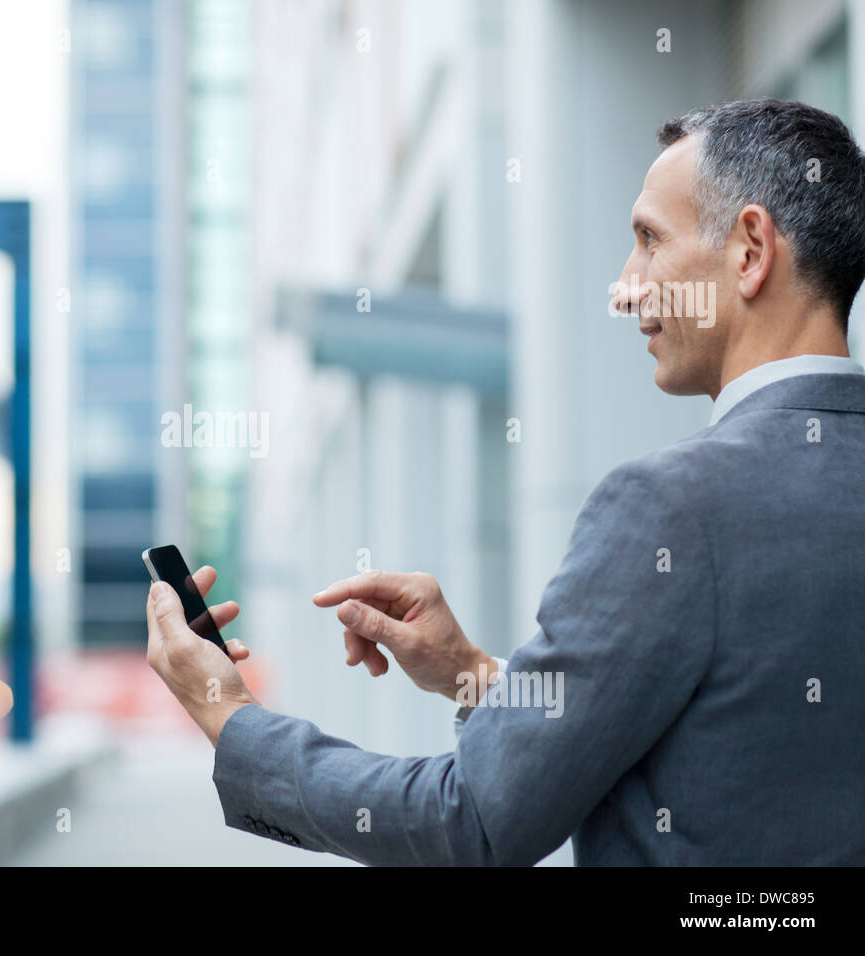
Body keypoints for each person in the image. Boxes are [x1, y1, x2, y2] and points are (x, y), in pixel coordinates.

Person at [145, 98, 865, 865]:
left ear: (751, 250)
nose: (625, 289)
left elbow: (472, 823)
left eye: (649, 241)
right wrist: (472, 676)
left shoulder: (675, 508)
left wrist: (227, 713)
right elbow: (730, 749)